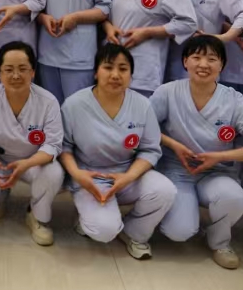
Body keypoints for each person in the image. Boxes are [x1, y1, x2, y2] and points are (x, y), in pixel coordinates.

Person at [150, 35, 243, 269]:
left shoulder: (233, 100)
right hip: (177, 171)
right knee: (179, 231)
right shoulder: (167, 92)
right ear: (185, 61)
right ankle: (187, 216)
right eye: (196, 57)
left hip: (217, 172)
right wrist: (173, 144)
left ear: (222, 65)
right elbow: (142, 128)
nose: (203, 64)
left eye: (211, 59)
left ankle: (220, 241)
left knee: (233, 197)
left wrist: (219, 157)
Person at [60, 43, 176, 258]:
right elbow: (63, 146)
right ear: (96, 72)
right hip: (90, 176)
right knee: (104, 231)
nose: (115, 75)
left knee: (165, 190)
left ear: (131, 75)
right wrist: (77, 174)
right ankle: (90, 220)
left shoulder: (142, 105)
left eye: (123, 69)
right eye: (108, 67)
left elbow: (150, 149)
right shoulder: (74, 105)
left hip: (128, 174)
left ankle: (134, 233)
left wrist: (127, 177)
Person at [0, 42, 64, 246]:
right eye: (9, 69)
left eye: (23, 69)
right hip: (0, 161)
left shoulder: (48, 101)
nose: (16, 75)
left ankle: (37, 215)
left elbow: (53, 145)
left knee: (54, 173)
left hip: (33, 162)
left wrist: (27, 164)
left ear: (33, 72)